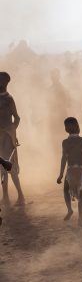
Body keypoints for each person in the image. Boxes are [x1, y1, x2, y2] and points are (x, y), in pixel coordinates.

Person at [57, 117, 82, 226]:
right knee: (73, 191)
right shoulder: (73, 141)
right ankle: (75, 214)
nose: (69, 127)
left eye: (70, 125)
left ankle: (76, 215)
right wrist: (61, 174)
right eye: (68, 125)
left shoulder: (75, 141)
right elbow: (64, 158)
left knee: (74, 191)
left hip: (76, 169)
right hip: (75, 169)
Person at [0, 72, 25, 205]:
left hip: (8, 138)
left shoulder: (9, 99)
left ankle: (21, 196)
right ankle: (5, 197)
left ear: (5, 82)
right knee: (2, 168)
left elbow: (17, 118)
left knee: (11, 168)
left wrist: (11, 132)